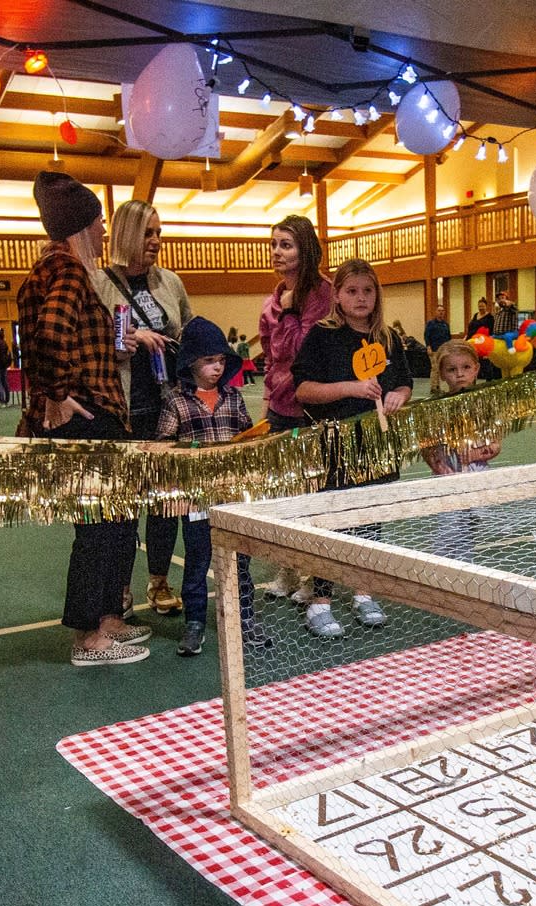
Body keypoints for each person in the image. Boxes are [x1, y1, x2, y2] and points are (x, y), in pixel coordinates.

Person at [18, 170, 152, 667]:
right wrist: (59, 393)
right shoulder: (69, 271)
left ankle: (108, 619)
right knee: (98, 525)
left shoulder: (46, 269)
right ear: (82, 224)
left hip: (89, 413)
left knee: (113, 521)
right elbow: (52, 334)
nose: (103, 231)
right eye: (99, 222)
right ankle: (89, 636)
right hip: (90, 416)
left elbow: (54, 338)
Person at [292, 257, 414, 637]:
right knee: (333, 522)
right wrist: (351, 388)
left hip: (376, 444)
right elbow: (303, 390)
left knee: (370, 521)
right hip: (334, 444)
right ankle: (320, 601)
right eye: (352, 291)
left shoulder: (387, 338)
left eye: (368, 290)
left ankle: (364, 591)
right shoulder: (322, 336)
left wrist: (399, 395)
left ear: (377, 295)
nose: (361, 298)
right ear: (337, 296)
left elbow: (404, 382)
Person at [94, 200, 193, 618]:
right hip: (121, 410)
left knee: (166, 501)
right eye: (147, 233)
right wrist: (131, 340)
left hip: (166, 408)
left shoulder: (170, 282)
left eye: (159, 232)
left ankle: (159, 580)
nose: (156, 241)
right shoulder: (98, 283)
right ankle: (119, 586)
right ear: (126, 234)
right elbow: (92, 346)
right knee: (122, 507)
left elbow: (189, 332)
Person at [157, 318, 262, 657]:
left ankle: (245, 616)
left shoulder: (234, 398)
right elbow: (164, 445)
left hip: (233, 497)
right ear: (191, 363)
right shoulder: (176, 402)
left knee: (240, 562)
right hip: (196, 500)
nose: (217, 367)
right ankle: (195, 622)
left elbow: (247, 435)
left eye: (220, 360)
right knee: (197, 562)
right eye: (208, 361)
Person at [257, 214, 335, 603]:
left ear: (305, 250)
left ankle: (314, 576)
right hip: (280, 410)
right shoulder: (271, 302)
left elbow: (305, 348)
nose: (276, 252)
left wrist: (289, 311)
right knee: (283, 496)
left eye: (285, 245)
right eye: (273, 244)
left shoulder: (324, 295)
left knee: (316, 496)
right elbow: (271, 358)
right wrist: (269, 400)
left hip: (315, 410)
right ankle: (287, 569)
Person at [424, 339, 502, 561]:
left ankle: (464, 563)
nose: (460, 374)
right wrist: (440, 468)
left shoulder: (486, 404)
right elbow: (427, 447)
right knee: (449, 529)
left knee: (469, 527)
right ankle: (445, 567)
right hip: (447, 475)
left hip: (477, 475)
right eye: (451, 369)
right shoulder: (434, 408)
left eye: (466, 367)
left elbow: (496, 445)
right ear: (441, 374)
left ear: (476, 369)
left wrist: (475, 454)